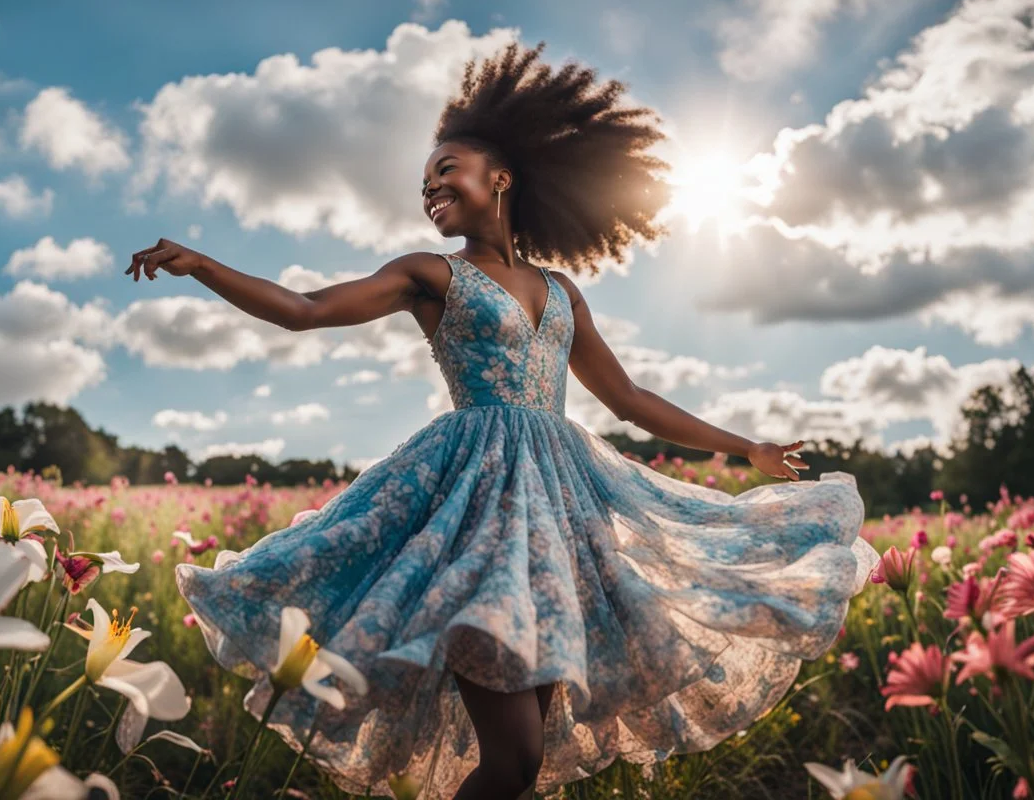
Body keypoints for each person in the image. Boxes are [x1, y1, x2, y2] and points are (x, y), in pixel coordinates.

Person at [127, 41, 880, 800]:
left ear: (501, 177)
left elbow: (628, 400)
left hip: (557, 513)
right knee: (515, 758)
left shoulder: (560, 291)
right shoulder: (430, 274)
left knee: (520, 768)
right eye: (424, 185)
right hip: (476, 505)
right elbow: (306, 309)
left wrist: (741, 445)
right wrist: (205, 266)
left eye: (444, 171)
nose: (430, 191)